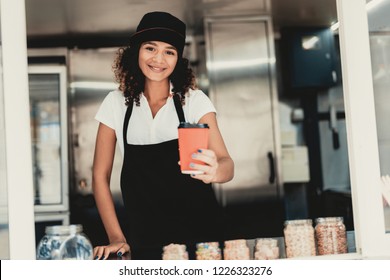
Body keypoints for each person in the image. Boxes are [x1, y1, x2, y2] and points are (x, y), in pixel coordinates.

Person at [92, 11, 234, 260]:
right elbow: (99, 176)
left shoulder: (192, 101)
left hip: (202, 242)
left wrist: (215, 171)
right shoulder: (115, 103)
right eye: (150, 48)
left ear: (178, 58)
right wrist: (117, 238)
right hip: (144, 240)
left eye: (169, 51)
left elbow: (227, 164)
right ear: (136, 51)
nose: (159, 59)